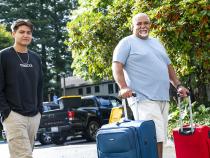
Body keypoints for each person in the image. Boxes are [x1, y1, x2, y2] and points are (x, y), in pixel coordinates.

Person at [112, 13, 189, 158]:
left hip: (162, 97)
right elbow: (117, 65)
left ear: (150, 25)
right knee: (153, 137)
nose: (143, 26)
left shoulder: (157, 43)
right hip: (142, 97)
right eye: (139, 23)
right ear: (132, 26)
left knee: (160, 138)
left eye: (146, 23)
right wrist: (123, 86)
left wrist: (178, 85)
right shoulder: (126, 42)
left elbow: (168, 66)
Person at [0, 19, 43, 158]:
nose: (26, 35)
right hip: (14, 115)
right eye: (21, 32)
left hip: (34, 116)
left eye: (29, 32)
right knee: (24, 155)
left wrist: (39, 110)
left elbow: (39, 86)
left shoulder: (36, 58)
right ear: (13, 34)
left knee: (26, 153)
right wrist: (6, 111)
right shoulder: (3, 56)